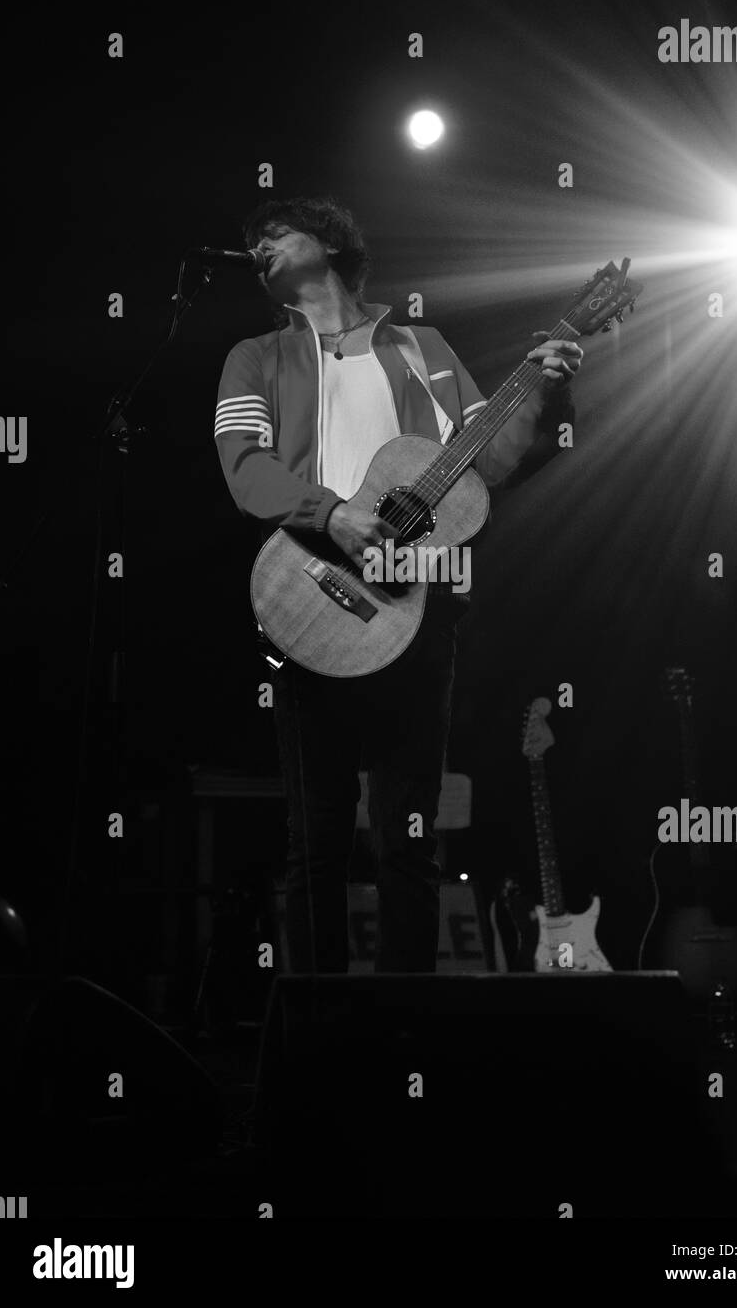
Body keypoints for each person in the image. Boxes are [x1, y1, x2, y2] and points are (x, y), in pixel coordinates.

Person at [214, 195, 583, 973]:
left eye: (274, 233)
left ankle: (408, 1039)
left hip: (415, 611)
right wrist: (332, 513)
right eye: (253, 245)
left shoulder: (424, 347)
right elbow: (246, 472)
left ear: (328, 242)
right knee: (313, 842)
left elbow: (486, 466)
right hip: (309, 595)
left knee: (407, 840)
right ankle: (316, 1043)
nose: (258, 248)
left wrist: (544, 392)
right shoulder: (254, 358)